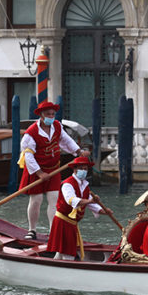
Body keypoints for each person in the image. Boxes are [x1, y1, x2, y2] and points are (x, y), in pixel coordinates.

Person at [18, 100, 90, 240]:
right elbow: (28, 156)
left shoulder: (57, 126)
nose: (51, 116)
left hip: (53, 169)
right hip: (36, 170)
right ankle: (32, 230)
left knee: (54, 199)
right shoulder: (31, 133)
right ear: (41, 115)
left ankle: (53, 231)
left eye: (53, 114)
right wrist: (39, 173)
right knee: (36, 199)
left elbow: (66, 140)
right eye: (48, 114)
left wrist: (78, 151)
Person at [46, 156, 104, 260]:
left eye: (85, 169)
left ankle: (54, 268)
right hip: (63, 222)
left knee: (60, 253)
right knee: (67, 254)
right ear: (75, 169)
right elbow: (71, 200)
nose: (83, 171)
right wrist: (90, 201)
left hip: (71, 223)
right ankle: (65, 272)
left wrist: (105, 211)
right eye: (81, 168)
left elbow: (92, 204)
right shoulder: (67, 184)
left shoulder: (85, 186)